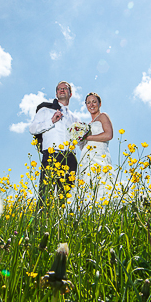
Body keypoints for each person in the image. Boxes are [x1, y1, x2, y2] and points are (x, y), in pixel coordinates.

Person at [29, 81, 78, 210]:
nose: (62, 90)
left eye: (65, 88)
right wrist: (51, 120)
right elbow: (32, 129)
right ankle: (41, 227)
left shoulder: (75, 118)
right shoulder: (45, 110)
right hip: (51, 155)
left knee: (65, 198)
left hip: (70, 158)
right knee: (45, 194)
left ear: (70, 93)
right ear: (56, 93)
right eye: (59, 89)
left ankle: (60, 227)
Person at [78, 92, 114, 207]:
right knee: (86, 185)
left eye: (94, 101)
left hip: (99, 156)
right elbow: (83, 145)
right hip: (86, 157)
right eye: (88, 102)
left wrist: (87, 137)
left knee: (103, 183)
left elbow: (108, 135)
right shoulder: (87, 125)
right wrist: (78, 138)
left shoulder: (103, 116)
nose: (91, 104)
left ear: (99, 103)